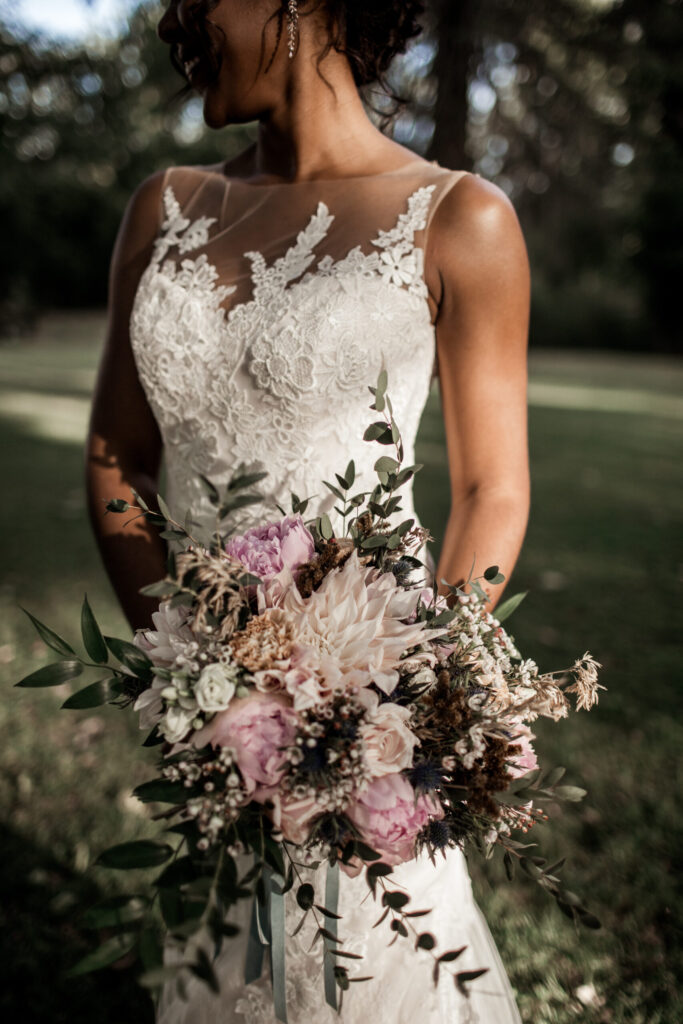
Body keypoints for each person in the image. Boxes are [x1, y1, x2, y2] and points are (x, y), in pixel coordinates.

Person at [86, 2, 530, 1021]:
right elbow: (118, 460)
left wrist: (405, 704)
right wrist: (192, 676)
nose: (172, 17)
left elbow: (488, 488)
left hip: (369, 715)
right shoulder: (165, 207)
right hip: (213, 710)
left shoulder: (461, 217)